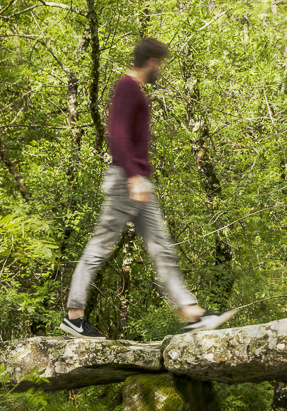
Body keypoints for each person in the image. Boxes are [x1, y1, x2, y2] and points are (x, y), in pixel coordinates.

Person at [60, 37, 228, 338]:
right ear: (151, 62)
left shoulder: (131, 89)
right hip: (128, 181)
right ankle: (74, 315)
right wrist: (134, 176)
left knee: (161, 248)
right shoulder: (127, 88)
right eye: (160, 64)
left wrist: (138, 177)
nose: (161, 69)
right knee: (100, 247)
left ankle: (192, 313)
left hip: (136, 181)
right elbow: (118, 135)